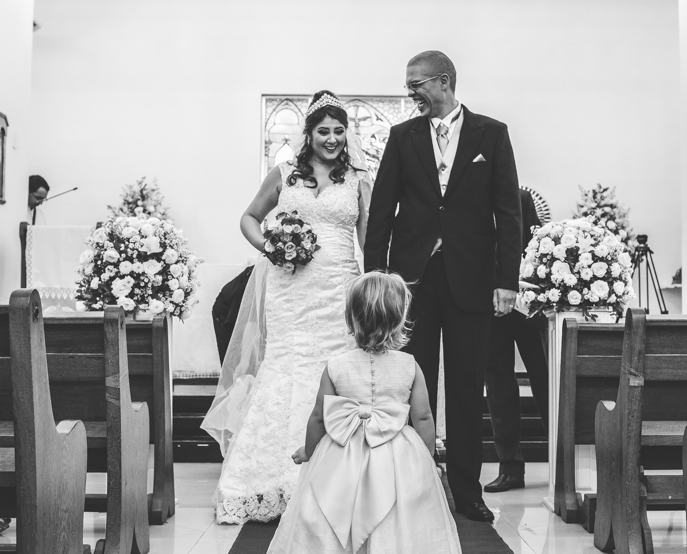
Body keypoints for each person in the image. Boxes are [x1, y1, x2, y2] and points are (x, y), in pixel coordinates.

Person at [364, 51, 521, 522]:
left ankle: (467, 492)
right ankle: (414, 487)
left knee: (470, 387)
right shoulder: (401, 136)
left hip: (472, 279)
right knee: (413, 385)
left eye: (416, 85)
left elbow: (508, 213)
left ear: (444, 81)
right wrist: (377, 278)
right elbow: (383, 211)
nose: (410, 93)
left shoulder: (491, 134)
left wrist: (506, 281)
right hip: (412, 282)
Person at [200, 90, 371, 524]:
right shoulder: (284, 174)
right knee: (287, 366)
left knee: (333, 367)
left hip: (339, 288)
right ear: (309, 134)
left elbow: (369, 241)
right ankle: (265, 476)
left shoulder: (359, 179)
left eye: (338, 131)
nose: (331, 139)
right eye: (322, 131)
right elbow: (249, 218)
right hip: (290, 287)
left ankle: (336, 476)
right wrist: (272, 248)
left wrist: (371, 288)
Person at [264, 272, 469, 554]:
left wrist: (309, 451)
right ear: (400, 317)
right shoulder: (410, 365)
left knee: (334, 515)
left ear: (350, 317)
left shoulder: (336, 365)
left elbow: (318, 417)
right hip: (396, 455)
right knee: (395, 523)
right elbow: (422, 418)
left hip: (342, 453)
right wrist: (427, 459)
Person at [483, 189, 549, 493]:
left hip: (525, 305)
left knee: (545, 377)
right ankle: (510, 466)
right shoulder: (466, 196)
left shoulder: (520, 198)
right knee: (498, 384)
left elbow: (537, 247)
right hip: (486, 306)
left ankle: (562, 459)